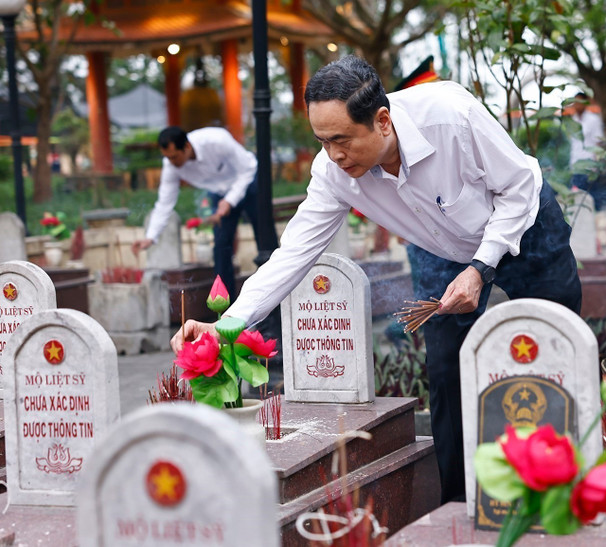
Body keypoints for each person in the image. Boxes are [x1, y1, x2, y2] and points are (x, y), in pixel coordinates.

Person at [170, 56, 582, 504]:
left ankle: (569, 485)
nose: (333, 155)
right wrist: (226, 325)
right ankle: (458, 504)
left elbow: (518, 186)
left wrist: (481, 268)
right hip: (444, 250)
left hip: (524, 224)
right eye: (322, 142)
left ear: (382, 121)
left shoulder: (450, 115)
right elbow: (292, 255)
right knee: (445, 368)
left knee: (557, 344)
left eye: (342, 140)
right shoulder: (333, 174)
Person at [132, 126, 277, 294]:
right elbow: (165, 202)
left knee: (265, 241)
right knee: (221, 247)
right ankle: (226, 308)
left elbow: (248, 169)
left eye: (174, 157)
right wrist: (150, 237)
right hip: (219, 193)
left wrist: (230, 200)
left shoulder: (217, 140)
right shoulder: (171, 165)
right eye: (167, 158)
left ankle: (277, 300)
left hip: (249, 183)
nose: (172, 162)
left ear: (186, 147)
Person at [568, 91, 604, 192]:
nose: (577, 105)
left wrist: (597, 164)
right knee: (577, 195)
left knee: (591, 194)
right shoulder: (572, 120)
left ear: (585, 103)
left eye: (580, 102)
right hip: (575, 163)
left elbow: (598, 142)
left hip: (589, 164)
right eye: (575, 102)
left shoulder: (593, 119)